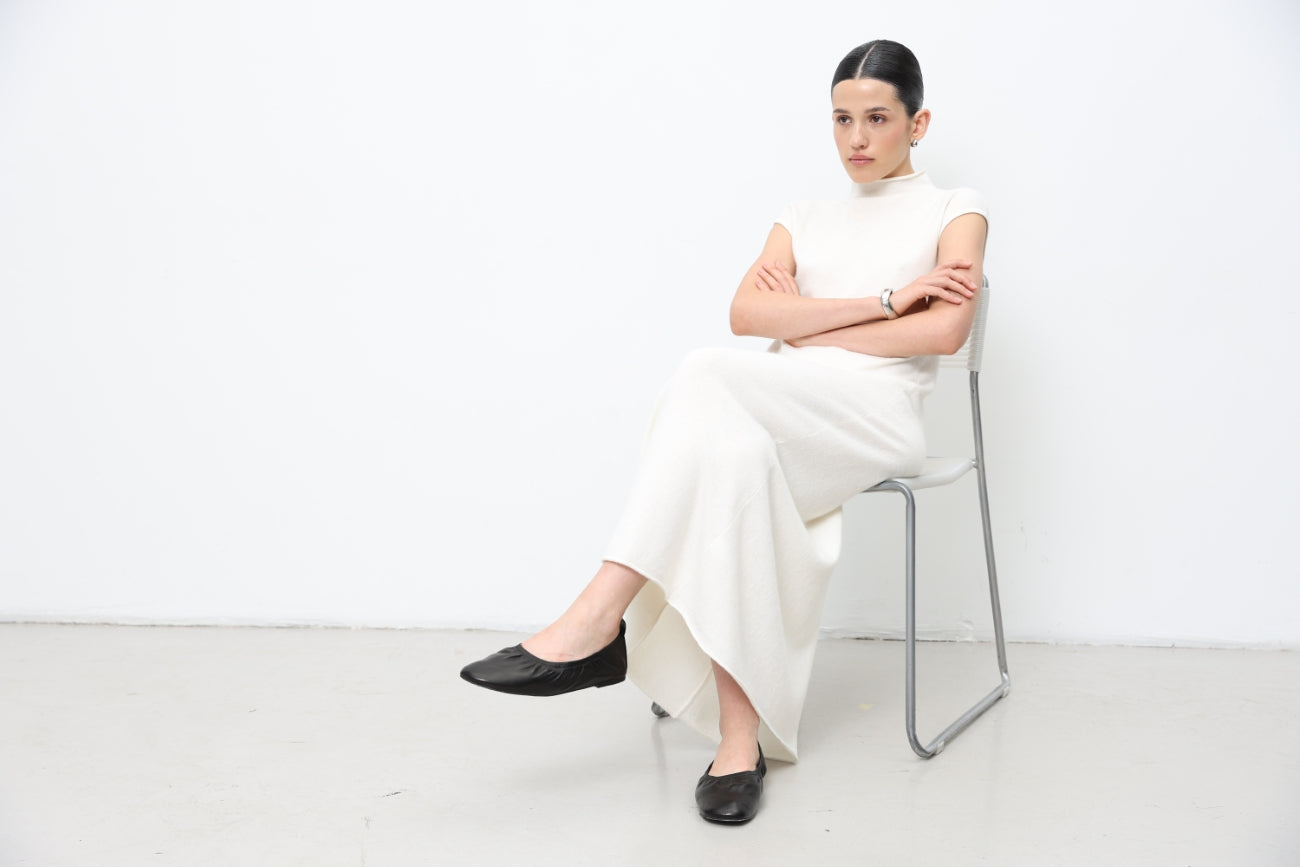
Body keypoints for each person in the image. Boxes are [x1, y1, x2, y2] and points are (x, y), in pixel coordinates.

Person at [460, 38, 988, 825]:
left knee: (704, 370)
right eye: (841, 119)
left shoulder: (955, 208)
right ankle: (738, 744)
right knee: (733, 458)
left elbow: (943, 333)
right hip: (778, 404)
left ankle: (599, 618)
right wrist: (886, 301)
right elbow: (747, 315)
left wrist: (805, 320)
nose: (856, 138)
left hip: (876, 416)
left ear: (919, 123)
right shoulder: (802, 217)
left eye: (878, 118)